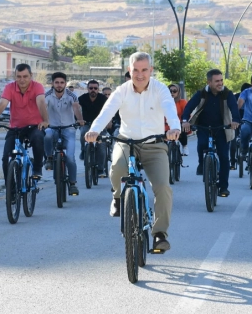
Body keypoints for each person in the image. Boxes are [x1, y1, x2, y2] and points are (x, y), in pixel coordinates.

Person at [85, 52, 180, 251]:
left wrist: (174, 127)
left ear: (150, 71)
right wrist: (94, 130)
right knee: (117, 168)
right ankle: (118, 197)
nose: (140, 74)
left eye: (144, 70)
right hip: (126, 141)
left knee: (163, 187)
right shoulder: (122, 91)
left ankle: (159, 233)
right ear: (129, 70)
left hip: (154, 144)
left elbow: (170, 108)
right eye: (135, 70)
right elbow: (106, 112)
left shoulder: (160, 89)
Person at [0, 63, 50, 181]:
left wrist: (45, 121)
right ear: (15, 77)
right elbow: (2, 104)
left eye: (25, 76)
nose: (22, 80)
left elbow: (41, 102)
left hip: (34, 126)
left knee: (38, 138)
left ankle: (37, 168)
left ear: (31, 76)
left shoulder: (37, 86)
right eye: (19, 76)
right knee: (6, 158)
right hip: (16, 127)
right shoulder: (10, 87)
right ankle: (11, 188)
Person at [182, 69, 240, 197]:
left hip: (221, 128)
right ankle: (202, 164)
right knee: (202, 144)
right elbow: (189, 106)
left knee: (224, 157)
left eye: (221, 80)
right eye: (217, 81)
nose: (220, 83)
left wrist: (235, 120)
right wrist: (185, 120)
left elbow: (234, 108)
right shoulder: (201, 93)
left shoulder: (227, 93)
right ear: (209, 82)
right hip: (203, 127)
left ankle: (223, 187)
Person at [44, 72, 84, 195]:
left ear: (65, 84)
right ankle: (49, 158)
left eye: (62, 83)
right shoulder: (47, 95)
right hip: (52, 127)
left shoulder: (72, 95)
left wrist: (80, 119)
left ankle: (72, 184)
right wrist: (43, 121)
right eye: (57, 82)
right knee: (47, 134)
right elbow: (43, 108)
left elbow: (76, 108)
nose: (59, 85)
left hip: (69, 129)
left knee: (70, 158)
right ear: (52, 83)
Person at [78, 79, 108, 177]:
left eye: (95, 88)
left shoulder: (103, 98)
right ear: (87, 89)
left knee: (102, 145)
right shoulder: (82, 98)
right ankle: (84, 150)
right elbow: (77, 110)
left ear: (98, 89)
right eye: (91, 88)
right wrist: (79, 120)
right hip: (86, 124)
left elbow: (109, 112)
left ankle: (100, 169)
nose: (93, 90)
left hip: (101, 126)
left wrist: (109, 122)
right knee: (83, 132)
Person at [230, 82, 250, 169]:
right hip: (236, 121)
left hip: (248, 121)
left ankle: (250, 161)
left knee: (250, 139)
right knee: (233, 141)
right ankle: (233, 162)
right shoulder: (235, 97)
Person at [166, 83, 190, 156]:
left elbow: (187, 113)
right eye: (170, 91)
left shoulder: (182, 102)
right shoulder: (164, 102)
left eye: (174, 91)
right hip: (167, 124)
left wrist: (184, 121)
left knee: (182, 130)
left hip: (179, 124)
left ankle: (184, 146)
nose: (172, 93)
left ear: (178, 92)